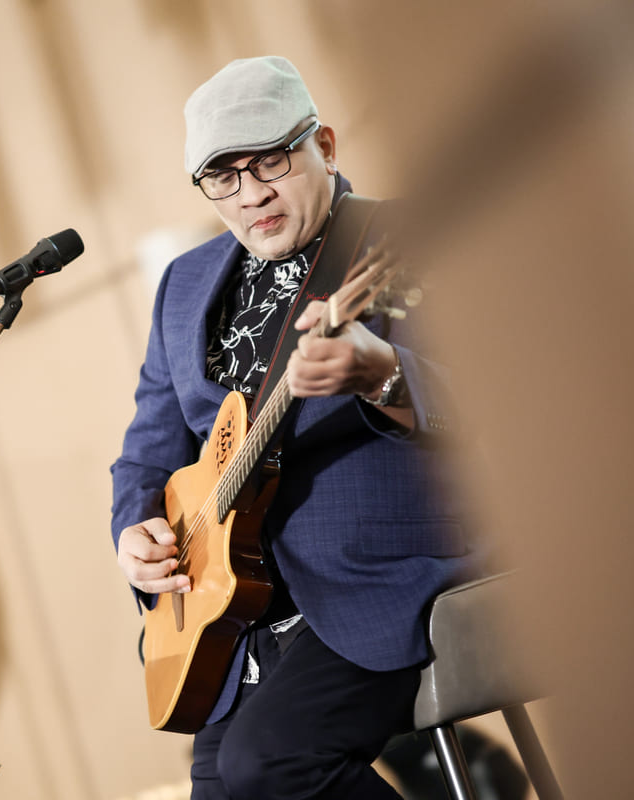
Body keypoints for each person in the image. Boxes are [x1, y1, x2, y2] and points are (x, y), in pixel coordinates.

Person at [110, 56, 482, 799]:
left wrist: (382, 374)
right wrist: (134, 531)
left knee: (269, 765)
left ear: (326, 147)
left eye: (271, 161)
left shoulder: (402, 239)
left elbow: (499, 398)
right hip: (232, 613)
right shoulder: (184, 285)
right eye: (223, 177)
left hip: (377, 577)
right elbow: (147, 451)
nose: (251, 194)